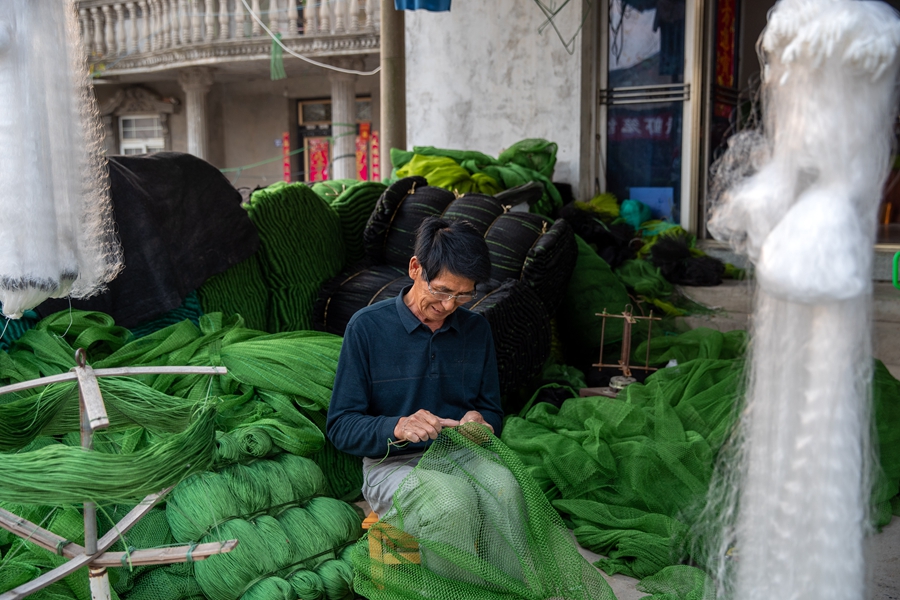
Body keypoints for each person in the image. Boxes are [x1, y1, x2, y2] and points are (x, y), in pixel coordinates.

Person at [326, 216, 503, 517]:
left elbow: (492, 411)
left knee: (507, 492)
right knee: (451, 503)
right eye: (442, 290)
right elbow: (341, 426)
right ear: (415, 268)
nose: (448, 306)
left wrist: (482, 423)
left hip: (464, 456)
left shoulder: (476, 329)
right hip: (392, 466)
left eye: (463, 295)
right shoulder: (367, 327)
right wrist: (398, 426)